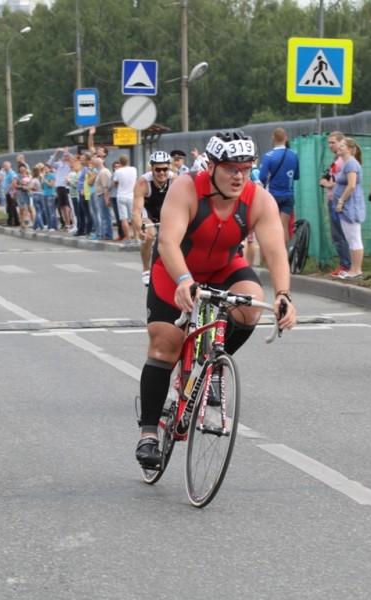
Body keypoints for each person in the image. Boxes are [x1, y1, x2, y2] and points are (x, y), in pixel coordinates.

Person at [135, 130, 298, 467]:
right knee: (165, 344)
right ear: (210, 165)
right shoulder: (186, 187)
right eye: (230, 169)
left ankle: (212, 366)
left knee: (251, 304)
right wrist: (183, 280)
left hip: (223, 266)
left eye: (246, 167)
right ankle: (148, 433)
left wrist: (283, 295)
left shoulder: (258, 198)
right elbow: (166, 241)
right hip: (175, 268)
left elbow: (275, 250)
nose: (240, 176)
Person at [133, 150, 174, 286]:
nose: (162, 173)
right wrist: (139, 228)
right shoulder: (143, 183)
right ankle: (146, 269)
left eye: (165, 169)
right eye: (158, 169)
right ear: (152, 169)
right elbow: (137, 210)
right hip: (148, 212)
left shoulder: (175, 180)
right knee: (149, 236)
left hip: (166, 211)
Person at [258, 127, 300, 245]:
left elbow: (262, 177)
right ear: (285, 138)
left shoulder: (268, 156)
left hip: (273, 195)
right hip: (288, 195)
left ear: (273, 139)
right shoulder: (294, 155)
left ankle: (268, 258)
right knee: (284, 227)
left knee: (269, 226)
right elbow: (296, 176)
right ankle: (284, 257)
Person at [331, 138, 366, 278]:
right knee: (351, 238)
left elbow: (351, 185)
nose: (338, 147)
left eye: (342, 146)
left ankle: (357, 269)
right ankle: (353, 268)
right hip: (348, 207)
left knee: (354, 238)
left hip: (350, 207)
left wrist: (341, 201)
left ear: (350, 149)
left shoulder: (351, 163)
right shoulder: (347, 163)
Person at [319, 132, 352, 278]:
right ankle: (345, 263)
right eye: (329, 143)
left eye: (333, 142)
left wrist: (333, 185)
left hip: (338, 200)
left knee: (340, 234)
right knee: (337, 234)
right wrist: (328, 182)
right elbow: (324, 179)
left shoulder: (344, 162)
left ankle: (346, 264)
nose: (330, 145)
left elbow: (344, 181)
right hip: (333, 199)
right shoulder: (336, 160)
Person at [112, 154, 138, 245]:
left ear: (120, 162)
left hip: (121, 195)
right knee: (134, 217)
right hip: (131, 195)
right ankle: (137, 237)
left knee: (124, 218)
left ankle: (128, 237)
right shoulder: (133, 169)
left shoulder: (118, 171)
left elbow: (115, 183)